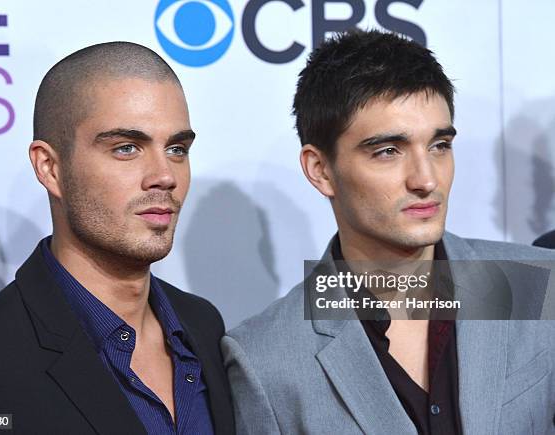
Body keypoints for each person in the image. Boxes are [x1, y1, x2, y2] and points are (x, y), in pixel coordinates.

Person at [222, 29, 555, 434]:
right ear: (320, 170)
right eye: (388, 151)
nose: (426, 179)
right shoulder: (266, 359)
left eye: (439, 146)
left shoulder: (536, 283)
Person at [0, 42, 234, 435]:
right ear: (50, 167)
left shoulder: (204, 325)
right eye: (127, 148)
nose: (165, 175)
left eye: (177, 148)